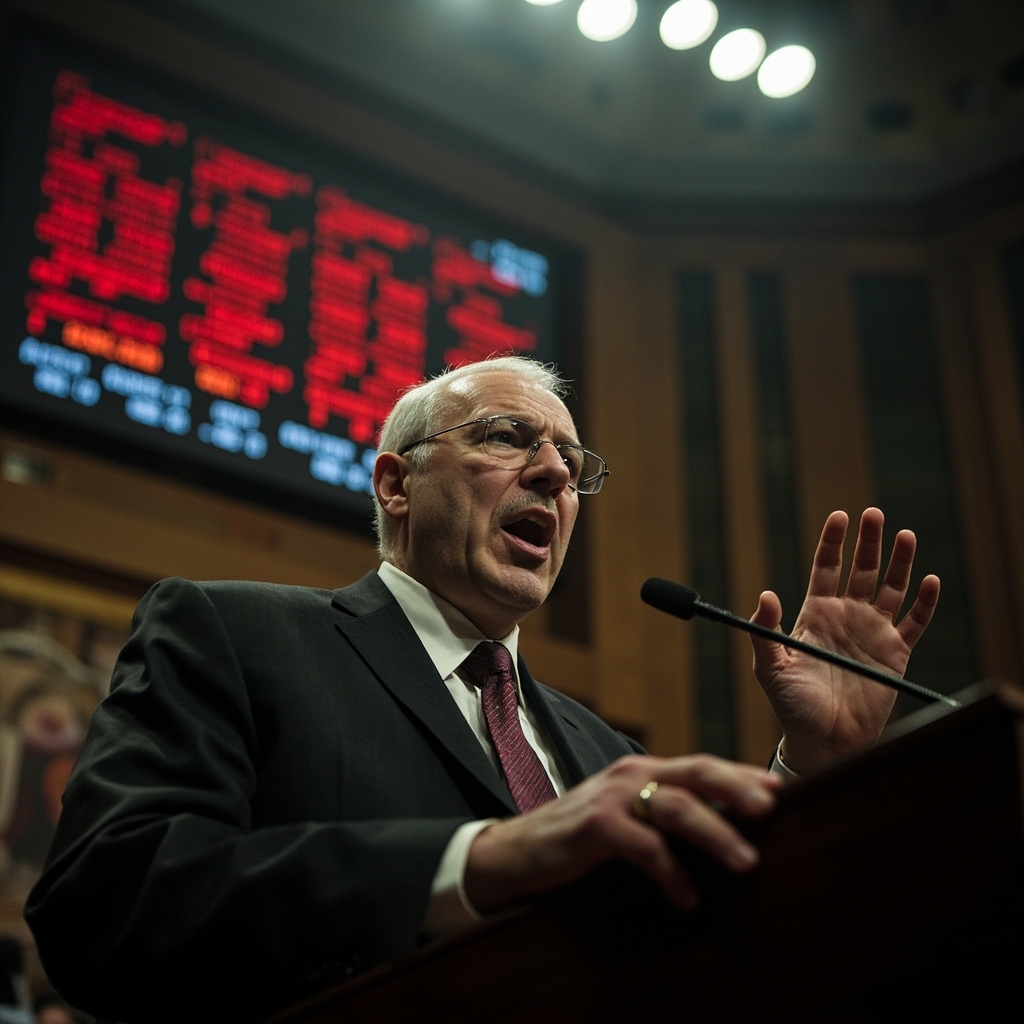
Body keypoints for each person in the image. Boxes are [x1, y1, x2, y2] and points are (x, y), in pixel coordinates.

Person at [23, 355, 940, 1024]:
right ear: (394, 484)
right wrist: (477, 862)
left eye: (573, 466)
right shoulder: (236, 635)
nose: (554, 472)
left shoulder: (607, 756)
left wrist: (814, 769)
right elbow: (107, 901)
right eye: (510, 437)